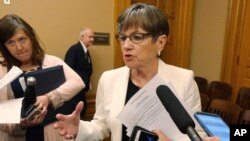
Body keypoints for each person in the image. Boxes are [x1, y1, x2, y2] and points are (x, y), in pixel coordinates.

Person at [53, 3, 220, 141]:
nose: (126, 45)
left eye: (137, 37)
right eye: (123, 37)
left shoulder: (184, 80)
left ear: (160, 42)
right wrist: (80, 128)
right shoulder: (109, 79)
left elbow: (196, 134)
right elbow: (102, 125)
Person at [0, 14, 84, 141]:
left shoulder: (51, 61)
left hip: (52, 133)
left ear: (31, 38)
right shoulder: (2, 70)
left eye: (22, 39)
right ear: (4, 46)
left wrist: (49, 98)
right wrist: (19, 125)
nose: (19, 47)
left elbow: (78, 82)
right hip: (17, 135)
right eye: (11, 42)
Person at [64, 27, 94, 118]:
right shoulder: (74, 49)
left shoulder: (85, 51)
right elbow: (67, 69)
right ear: (82, 37)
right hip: (75, 92)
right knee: (78, 114)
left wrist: (88, 80)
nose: (92, 39)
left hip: (81, 90)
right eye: (90, 37)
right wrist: (83, 78)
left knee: (83, 112)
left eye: (93, 37)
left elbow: (87, 69)